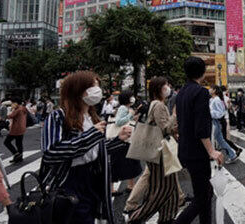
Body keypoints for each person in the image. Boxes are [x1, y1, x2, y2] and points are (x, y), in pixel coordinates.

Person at [40, 71, 131, 224]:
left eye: (97, 86)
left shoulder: (92, 117)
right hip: (69, 180)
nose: (97, 90)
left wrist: (118, 140)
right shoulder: (58, 116)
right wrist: (91, 135)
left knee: (89, 216)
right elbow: (51, 152)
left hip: (93, 177)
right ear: (77, 90)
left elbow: (95, 150)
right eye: (92, 86)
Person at [175, 57, 224, 224]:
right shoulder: (201, 92)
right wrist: (211, 150)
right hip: (197, 152)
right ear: (202, 73)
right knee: (202, 197)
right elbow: (201, 126)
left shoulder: (181, 93)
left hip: (185, 150)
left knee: (204, 193)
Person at [125, 78, 180, 224]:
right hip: (160, 152)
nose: (168, 87)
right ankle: (135, 218)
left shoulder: (157, 104)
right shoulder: (159, 105)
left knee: (172, 187)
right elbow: (165, 128)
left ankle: (167, 218)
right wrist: (175, 115)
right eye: (165, 86)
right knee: (162, 189)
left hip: (162, 150)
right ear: (159, 89)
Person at [110, 91, 142, 197]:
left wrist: (133, 117)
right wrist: (130, 115)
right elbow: (118, 122)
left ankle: (130, 186)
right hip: (123, 140)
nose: (133, 98)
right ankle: (113, 189)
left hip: (127, 139)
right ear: (127, 98)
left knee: (129, 163)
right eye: (131, 96)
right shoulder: (123, 108)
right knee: (121, 163)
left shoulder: (126, 108)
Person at [210, 86, 238, 164]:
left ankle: (212, 157)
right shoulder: (213, 99)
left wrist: (209, 113)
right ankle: (232, 155)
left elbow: (220, 113)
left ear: (214, 90)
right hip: (216, 122)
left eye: (211, 88)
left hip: (216, 122)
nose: (209, 89)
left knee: (212, 140)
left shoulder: (217, 100)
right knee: (221, 141)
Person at [4, 97, 27, 163]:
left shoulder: (18, 110)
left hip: (16, 129)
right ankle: (19, 158)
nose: (11, 105)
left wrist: (6, 111)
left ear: (16, 103)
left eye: (12, 103)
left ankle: (16, 154)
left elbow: (9, 116)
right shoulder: (23, 108)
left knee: (6, 142)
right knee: (19, 143)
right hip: (22, 128)